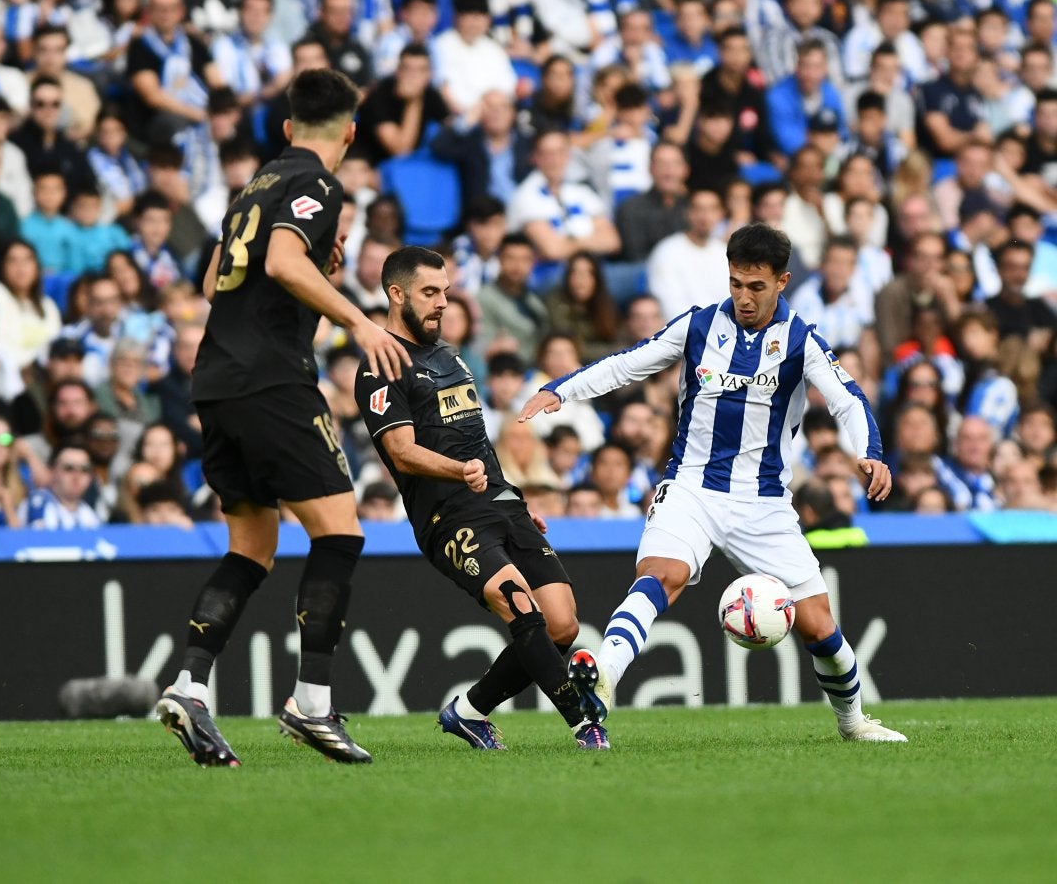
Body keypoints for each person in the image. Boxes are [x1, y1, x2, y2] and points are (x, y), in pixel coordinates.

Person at [520, 222, 908, 748]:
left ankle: (853, 721)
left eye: (757, 286)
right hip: (691, 489)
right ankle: (603, 676)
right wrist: (560, 391)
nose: (744, 298)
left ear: (783, 282)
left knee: (819, 625)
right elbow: (628, 364)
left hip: (764, 503)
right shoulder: (698, 326)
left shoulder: (801, 340)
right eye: (736, 283)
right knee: (662, 576)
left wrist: (870, 452)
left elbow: (847, 399)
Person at [156, 68, 409, 768]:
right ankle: (312, 703)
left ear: (290, 126)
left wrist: (314, 270)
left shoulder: (254, 186)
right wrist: (359, 320)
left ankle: (189, 687)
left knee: (251, 546)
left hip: (216, 380)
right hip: (271, 379)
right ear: (350, 133)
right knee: (340, 532)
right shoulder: (318, 184)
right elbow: (281, 261)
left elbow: (214, 281)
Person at [352, 245, 602, 750]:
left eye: (445, 291)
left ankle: (467, 712)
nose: (442, 302)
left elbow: (476, 441)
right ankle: (585, 723)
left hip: (498, 499)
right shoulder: (381, 366)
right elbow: (400, 451)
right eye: (429, 292)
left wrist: (513, 496)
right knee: (522, 608)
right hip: (447, 515)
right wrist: (459, 472)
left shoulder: (451, 356)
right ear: (396, 294)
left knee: (562, 624)